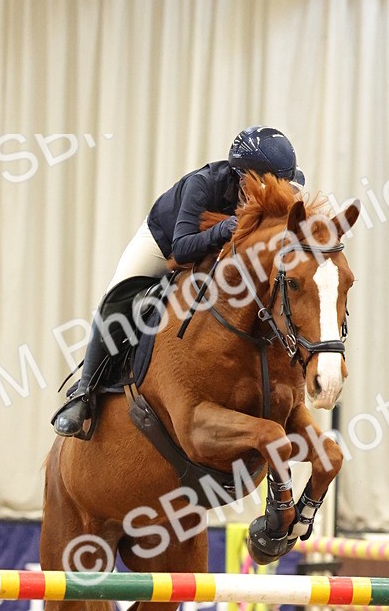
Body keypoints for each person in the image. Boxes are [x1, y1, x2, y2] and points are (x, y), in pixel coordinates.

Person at [52, 125, 304, 437]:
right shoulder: (203, 184)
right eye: (266, 185)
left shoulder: (282, 186)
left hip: (218, 250)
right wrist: (225, 228)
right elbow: (182, 248)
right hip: (165, 243)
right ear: (242, 176)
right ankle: (84, 393)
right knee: (116, 299)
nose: (274, 194)